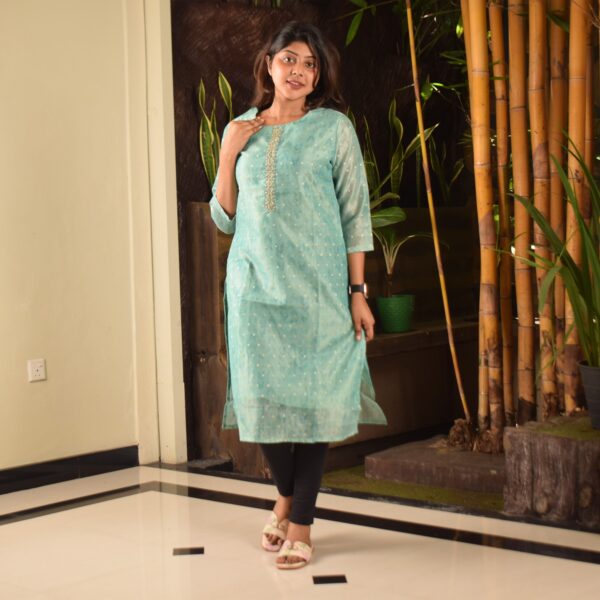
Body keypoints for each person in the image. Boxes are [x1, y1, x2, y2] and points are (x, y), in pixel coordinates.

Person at [209, 21, 387, 570]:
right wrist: (227, 155)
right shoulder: (240, 128)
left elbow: (356, 215)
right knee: (259, 400)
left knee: (315, 403)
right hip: (254, 290)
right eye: (289, 59)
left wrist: (357, 292)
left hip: (319, 292)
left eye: (309, 64)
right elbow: (223, 217)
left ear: (318, 76)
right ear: (268, 64)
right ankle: (286, 497)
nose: (298, 71)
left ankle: (301, 522)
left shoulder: (333, 129)